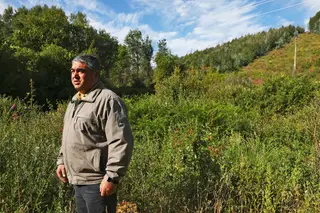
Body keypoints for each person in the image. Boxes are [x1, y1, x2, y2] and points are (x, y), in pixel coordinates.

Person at [56, 55, 133, 213]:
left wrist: (112, 177)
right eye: (73, 70)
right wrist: (61, 160)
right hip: (77, 180)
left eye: (81, 71)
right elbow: (70, 135)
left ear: (96, 74)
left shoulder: (108, 100)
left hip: (97, 183)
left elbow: (121, 141)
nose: (75, 75)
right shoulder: (75, 100)